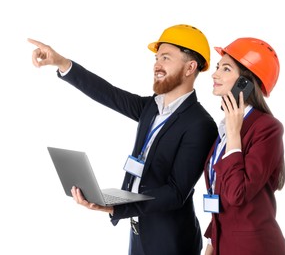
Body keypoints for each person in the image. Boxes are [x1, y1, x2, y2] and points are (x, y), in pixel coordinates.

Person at [28, 24, 218, 255]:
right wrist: (61, 62)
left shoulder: (200, 124)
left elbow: (176, 192)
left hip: (171, 242)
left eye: (166, 58)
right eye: (156, 58)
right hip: (139, 232)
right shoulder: (151, 107)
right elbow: (108, 93)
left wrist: (115, 206)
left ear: (190, 67)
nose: (157, 65)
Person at [203, 37, 285, 255]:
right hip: (223, 245)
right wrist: (212, 241)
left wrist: (233, 135)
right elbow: (220, 194)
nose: (215, 74)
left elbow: (237, 194)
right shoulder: (226, 127)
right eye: (217, 67)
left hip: (254, 248)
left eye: (226, 69)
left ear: (246, 82)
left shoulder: (267, 128)